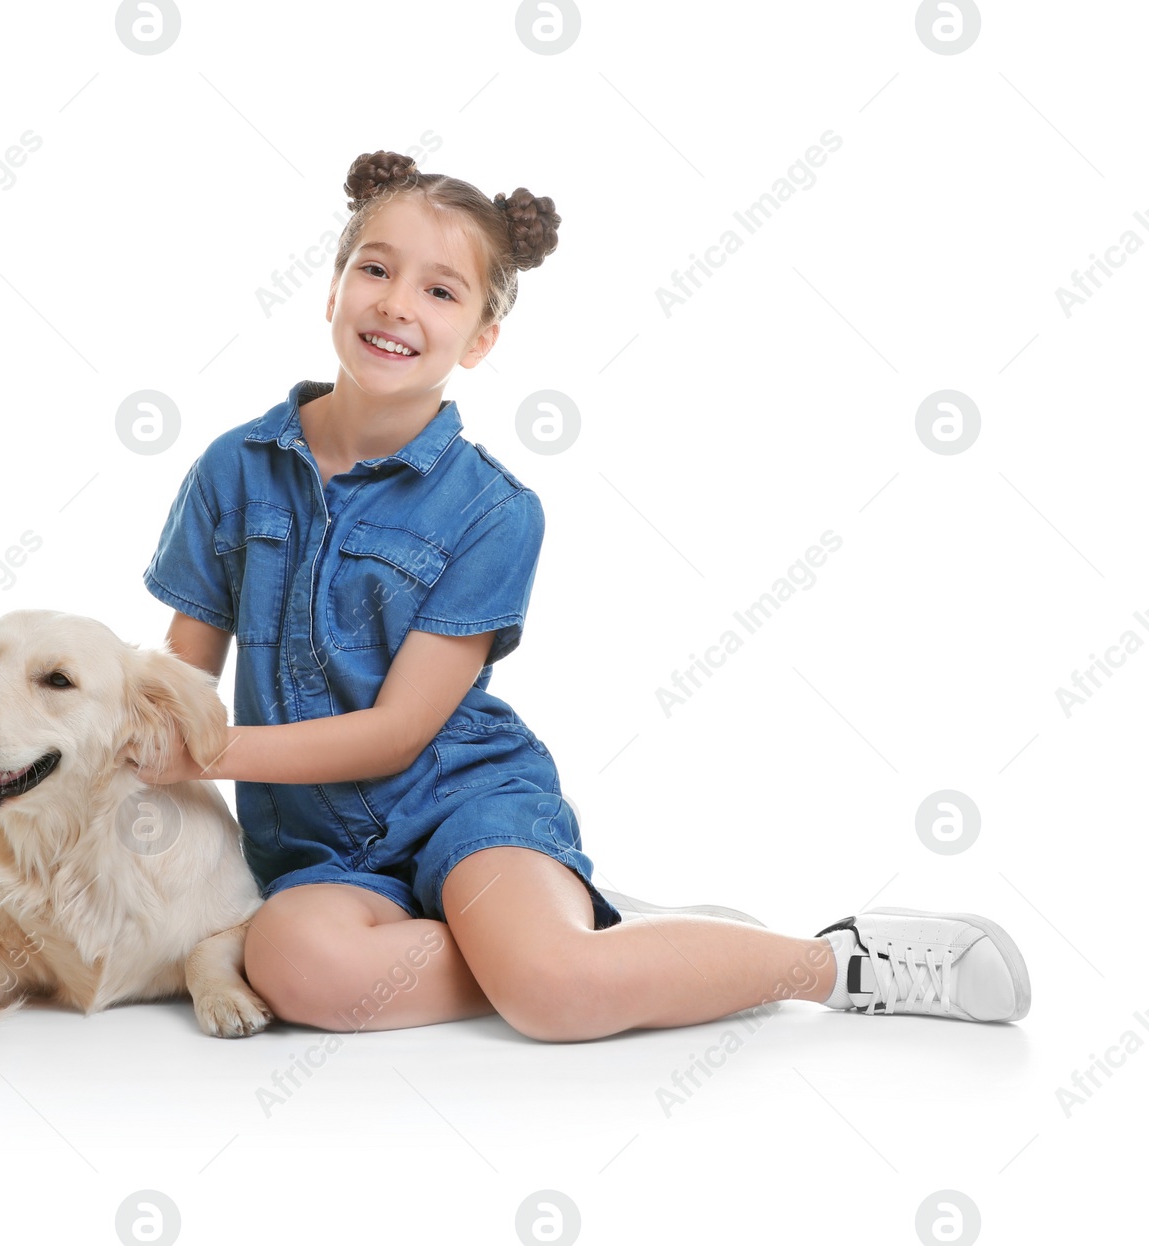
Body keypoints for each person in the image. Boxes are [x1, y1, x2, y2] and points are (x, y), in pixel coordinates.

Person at [133, 149, 1031, 1041]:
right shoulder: (232, 470)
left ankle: (836, 961)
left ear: (480, 339)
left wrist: (200, 754)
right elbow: (180, 679)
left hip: (463, 805)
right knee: (296, 968)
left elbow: (399, 731)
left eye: (441, 291)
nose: (398, 304)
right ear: (333, 289)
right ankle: (628, 946)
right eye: (375, 269)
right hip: (317, 852)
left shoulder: (494, 511)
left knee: (550, 998)